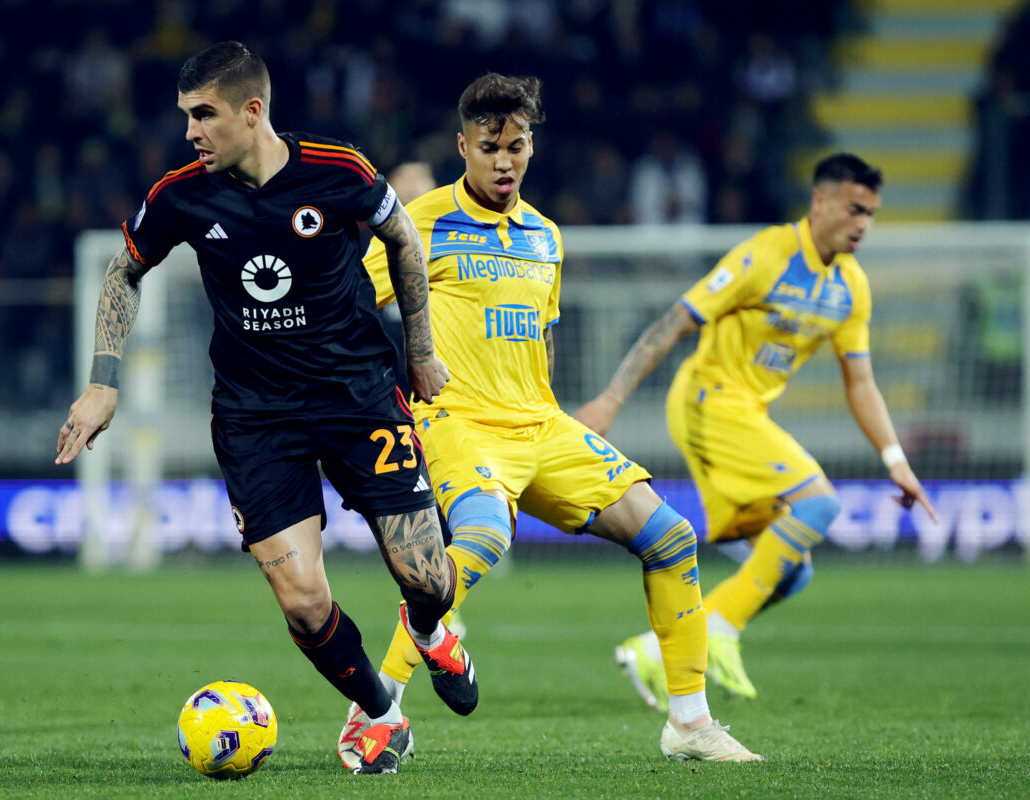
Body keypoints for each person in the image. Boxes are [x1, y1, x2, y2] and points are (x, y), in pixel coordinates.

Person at [54, 41, 478, 776]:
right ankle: (381, 713)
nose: (190, 131)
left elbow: (403, 239)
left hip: (358, 397)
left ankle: (429, 629)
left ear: (252, 111)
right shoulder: (181, 194)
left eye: (203, 115)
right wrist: (103, 381)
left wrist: (421, 351)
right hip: (256, 417)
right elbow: (124, 272)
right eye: (186, 116)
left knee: (428, 579)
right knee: (304, 604)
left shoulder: (337, 171)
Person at [337, 72, 761, 767]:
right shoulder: (419, 224)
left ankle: (689, 724)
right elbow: (349, 312)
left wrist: (560, 417)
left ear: (532, 145)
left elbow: (542, 334)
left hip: (541, 424)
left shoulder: (544, 235)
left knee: (671, 537)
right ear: (463, 147)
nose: (504, 161)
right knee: (484, 536)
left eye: (517, 146)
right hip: (459, 421)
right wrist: (388, 391)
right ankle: (377, 705)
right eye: (489, 147)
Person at [573, 153, 939, 707]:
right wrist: (610, 400)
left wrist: (896, 461)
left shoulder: (850, 286)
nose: (863, 223)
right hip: (707, 402)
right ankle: (719, 631)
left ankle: (655, 650)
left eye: (871, 213)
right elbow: (675, 320)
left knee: (793, 573)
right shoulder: (766, 255)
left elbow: (861, 383)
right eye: (853, 209)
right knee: (819, 504)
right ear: (820, 202)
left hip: (746, 415)